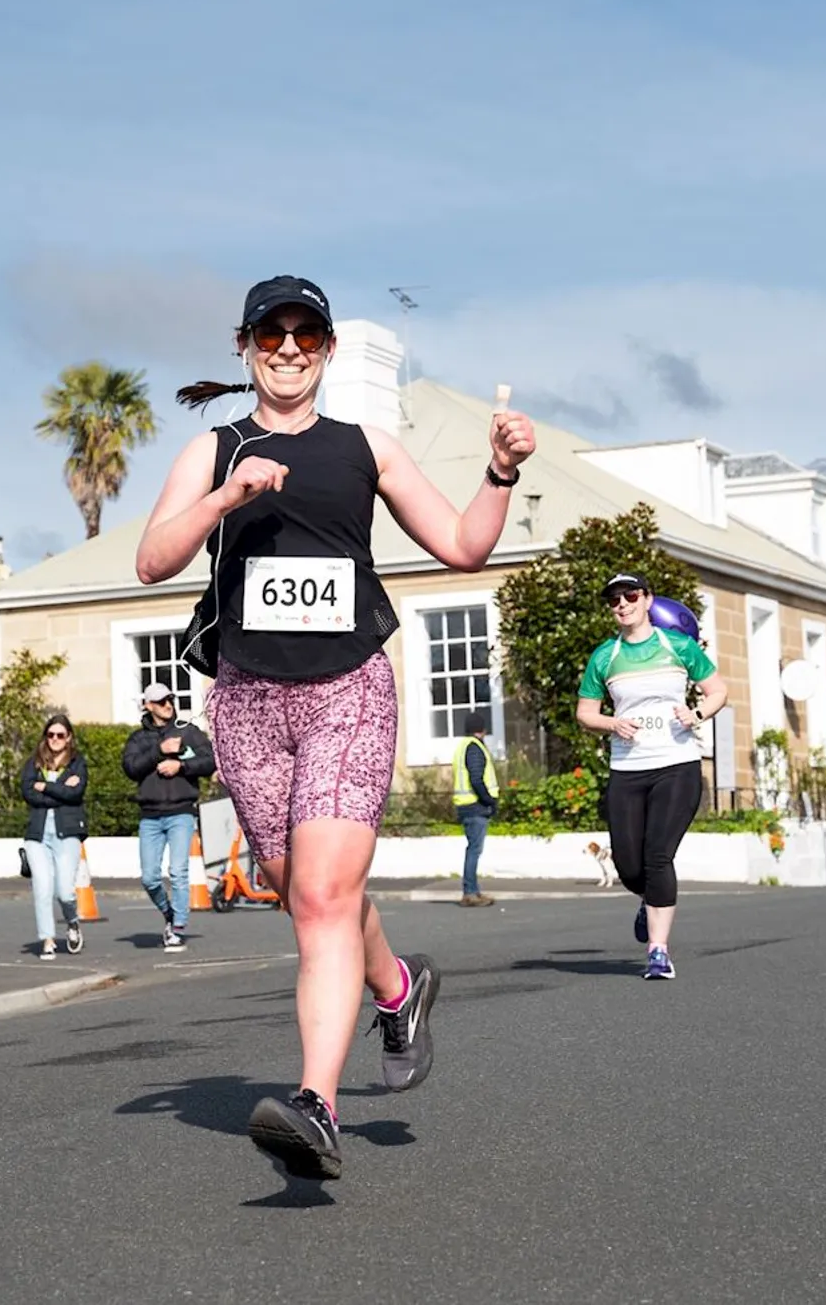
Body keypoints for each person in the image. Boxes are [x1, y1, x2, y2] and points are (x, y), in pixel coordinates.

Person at [136, 274, 536, 1179]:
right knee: (299, 888)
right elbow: (153, 559)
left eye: (304, 335)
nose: (287, 349)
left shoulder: (365, 447)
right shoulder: (215, 449)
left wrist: (501, 471)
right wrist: (226, 498)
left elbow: (465, 545)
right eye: (270, 335)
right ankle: (397, 989)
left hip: (348, 689)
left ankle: (317, 1104)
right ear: (244, 348)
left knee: (321, 898)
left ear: (326, 351)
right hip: (246, 699)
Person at [574, 573, 729, 979]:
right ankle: (650, 899)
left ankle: (658, 951)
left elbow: (718, 691)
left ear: (647, 600)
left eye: (630, 596)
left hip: (677, 764)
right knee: (628, 864)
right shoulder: (604, 656)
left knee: (658, 856)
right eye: (613, 600)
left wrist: (695, 714)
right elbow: (585, 712)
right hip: (628, 768)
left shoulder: (677, 645)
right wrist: (612, 724)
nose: (622, 604)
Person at [120, 683, 216, 948]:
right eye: (161, 701)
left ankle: (177, 928)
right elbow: (131, 768)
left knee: (178, 871)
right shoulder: (139, 739)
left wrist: (181, 765)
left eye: (170, 700)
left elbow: (210, 761)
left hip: (181, 812)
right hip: (150, 816)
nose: (168, 705)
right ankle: (169, 913)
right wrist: (159, 751)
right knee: (150, 878)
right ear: (148, 706)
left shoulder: (188, 732)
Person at [20, 714, 87, 959]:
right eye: (51, 735)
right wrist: (61, 788)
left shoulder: (77, 763)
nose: (55, 740)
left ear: (69, 737)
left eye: (60, 735)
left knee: (64, 891)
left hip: (67, 832)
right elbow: (28, 792)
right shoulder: (34, 763)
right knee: (42, 887)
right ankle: (47, 939)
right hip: (37, 835)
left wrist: (46, 786)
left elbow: (75, 794)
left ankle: (72, 922)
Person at [452, 711, 498, 906]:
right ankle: (470, 892)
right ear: (482, 729)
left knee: (473, 849)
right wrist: (489, 801)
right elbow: (477, 779)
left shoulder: (463, 747)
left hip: (467, 805)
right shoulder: (474, 748)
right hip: (475, 806)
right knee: (474, 850)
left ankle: (473, 891)